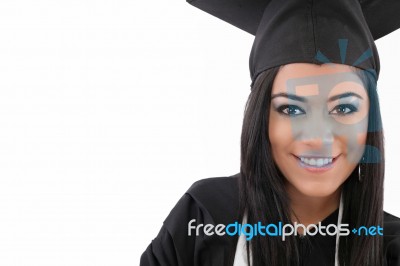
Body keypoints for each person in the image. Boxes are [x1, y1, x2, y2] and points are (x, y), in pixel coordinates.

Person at [140, 0, 400, 265]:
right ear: (262, 117)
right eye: (291, 110)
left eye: (344, 108)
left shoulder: (393, 248)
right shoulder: (203, 218)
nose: (318, 137)